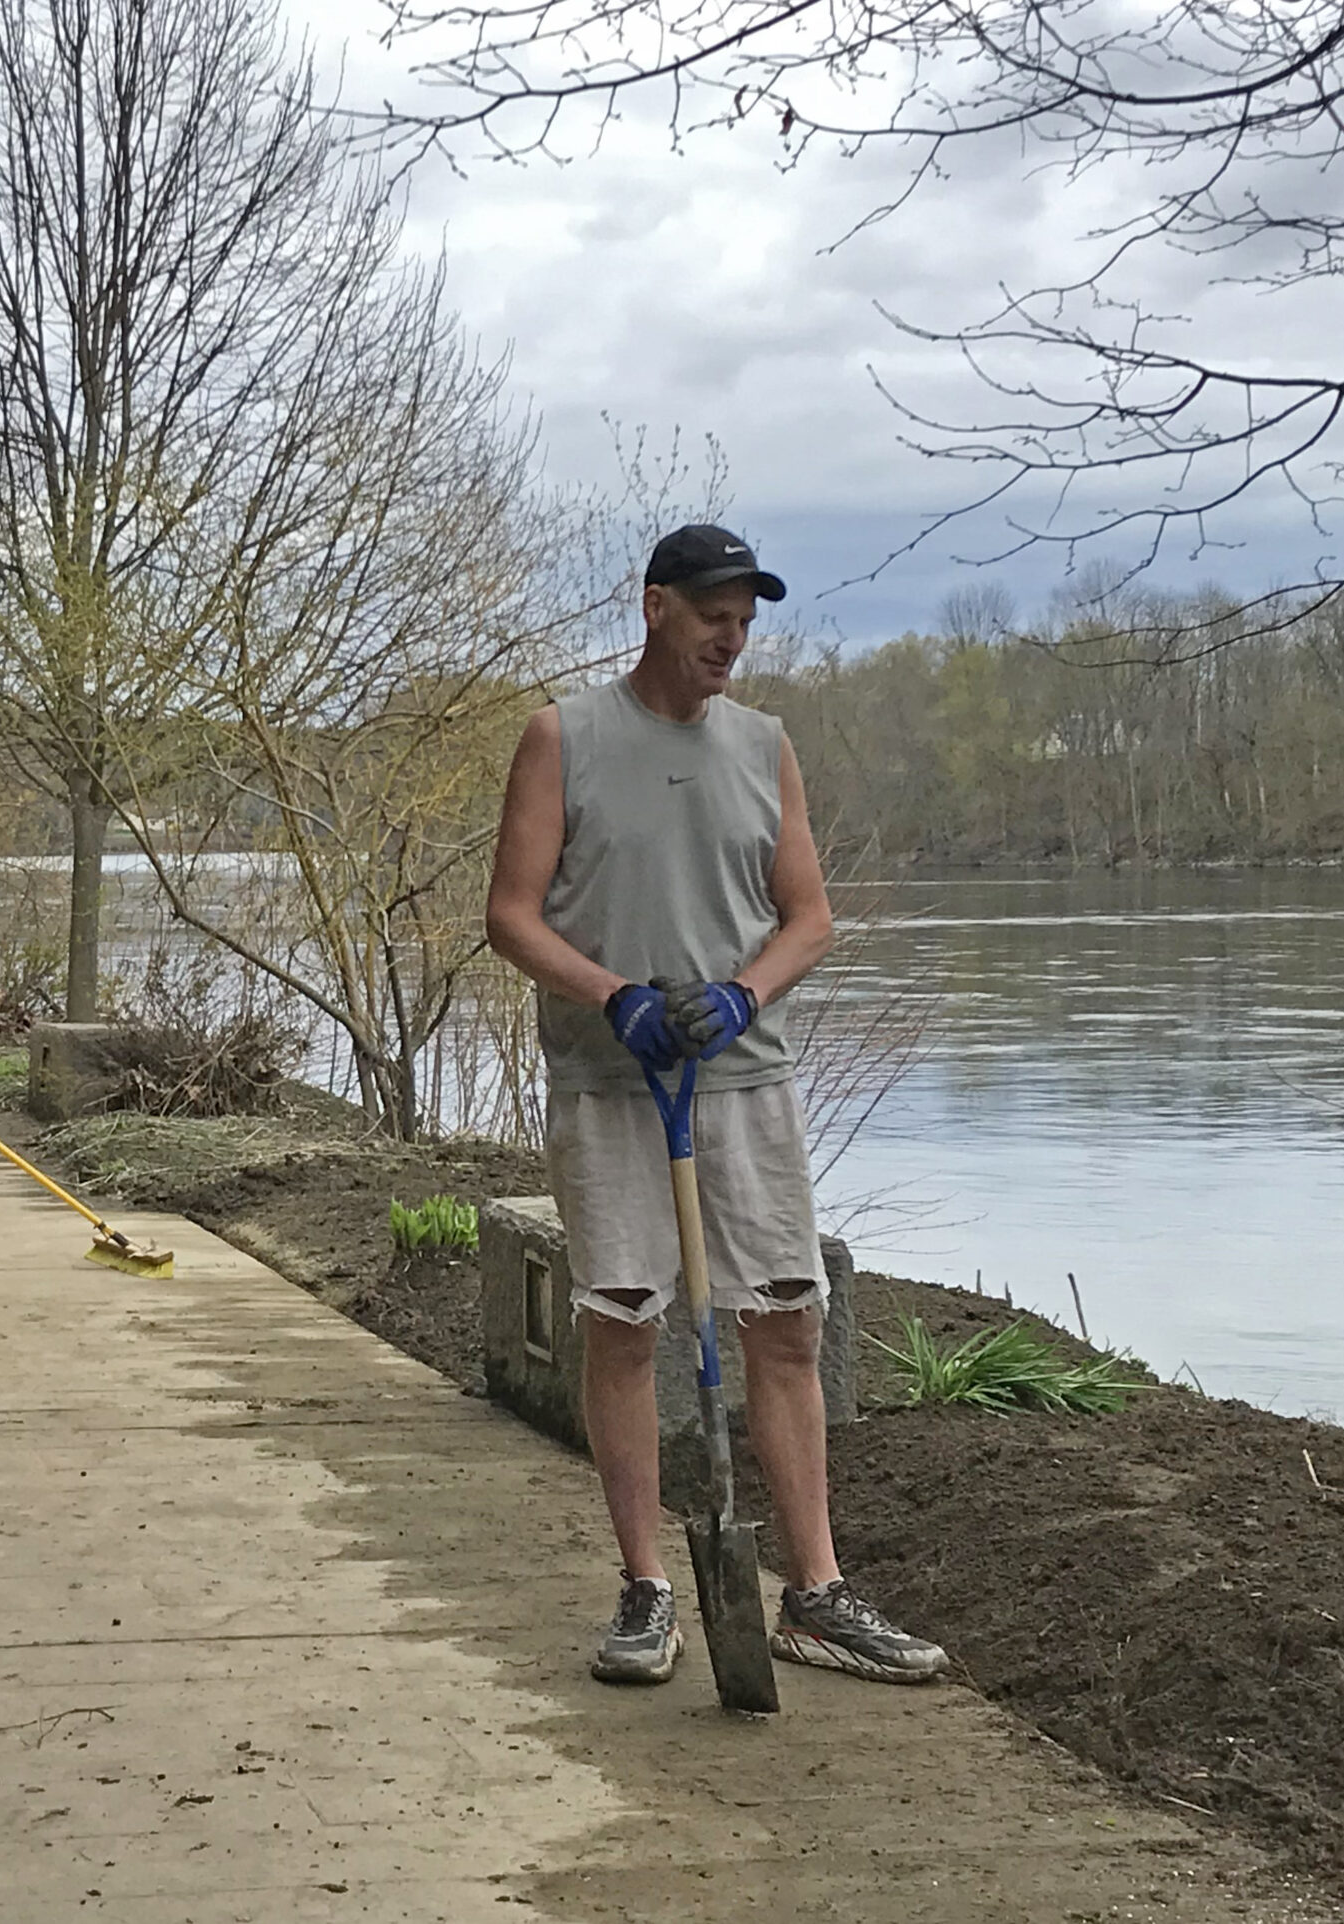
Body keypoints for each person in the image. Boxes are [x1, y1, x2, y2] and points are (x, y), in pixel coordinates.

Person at [485, 524, 948, 1688]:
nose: (730, 637)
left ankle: (815, 1594)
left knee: (786, 1323)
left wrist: (743, 994)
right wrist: (615, 996)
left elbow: (809, 917)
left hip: (742, 1079)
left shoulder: (763, 745)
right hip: (612, 1081)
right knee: (622, 1324)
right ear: (655, 608)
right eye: (710, 615)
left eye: (744, 619)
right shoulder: (563, 737)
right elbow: (512, 916)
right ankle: (647, 1588)